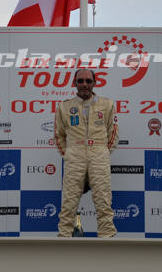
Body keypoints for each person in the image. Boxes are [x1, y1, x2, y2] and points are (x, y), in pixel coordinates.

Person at [54, 69, 119, 237]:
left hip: (99, 153)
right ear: (74, 83)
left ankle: (107, 236)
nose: (84, 84)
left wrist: (103, 152)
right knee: (69, 201)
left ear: (94, 83)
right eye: (80, 81)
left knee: (103, 199)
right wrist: (68, 154)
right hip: (74, 154)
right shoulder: (64, 106)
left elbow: (113, 133)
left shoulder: (107, 104)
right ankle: (64, 237)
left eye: (88, 81)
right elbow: (59, 135)